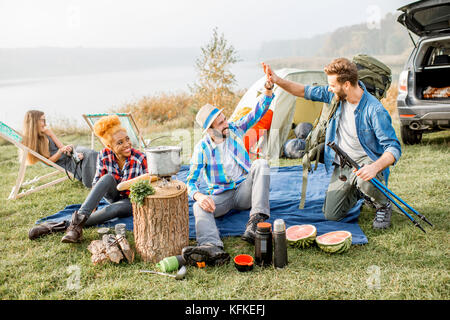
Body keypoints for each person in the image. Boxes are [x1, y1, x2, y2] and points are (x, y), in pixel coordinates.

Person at [262, 58, 401, 229]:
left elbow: (393, 147)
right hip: (344, 163)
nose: (329, 88)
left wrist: (374, 167)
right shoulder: (334, 96)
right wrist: (276, 80)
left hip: (366, 164)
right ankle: (359, 191)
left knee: (365, 180)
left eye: (333, 85)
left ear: (347, 85)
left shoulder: (374, 110)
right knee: (332, 215)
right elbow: (302, 91)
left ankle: (383, 204)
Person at [181, 80, 274, 267]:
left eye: (224, 118)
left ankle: (256, 222)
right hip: (221, 196)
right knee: (199, 207)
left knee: (262, 163)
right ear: (210, 130)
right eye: (221, 122)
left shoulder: (234, 129)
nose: (226, 123)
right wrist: (199, 196)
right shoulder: (202, 149)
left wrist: (268, 90)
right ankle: (211, 247)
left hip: (243, 190)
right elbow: (190, 181)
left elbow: (257, 113)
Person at [28, 115, 148, 242]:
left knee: (111, 209)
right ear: (109, 146)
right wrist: (92, 207)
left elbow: (150, 182)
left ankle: (57, 227)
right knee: (107, 177)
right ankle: (76, 226)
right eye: (120, 142)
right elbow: (97, 181)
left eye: (127, 139)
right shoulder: (104, 155)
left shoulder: (140, 158)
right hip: (114, 195)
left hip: (130, 201)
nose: (127, 144)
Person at [22, 110, 97, 188]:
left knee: (91, 154)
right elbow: (49, 162)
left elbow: (62, 147)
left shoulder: (47, 132)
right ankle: (99, 180)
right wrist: (60, 152)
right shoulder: (32, 143)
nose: (45, 124)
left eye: (44, 120)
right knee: (91, 156)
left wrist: (72, 152)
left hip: (71, 155)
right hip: (67, 163)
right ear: (34, 122)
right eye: (42, 120)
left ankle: (103, 177)